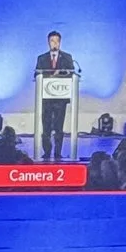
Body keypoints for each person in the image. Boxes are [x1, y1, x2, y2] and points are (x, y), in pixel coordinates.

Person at [34, 31, 78, 160]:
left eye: (57, 41)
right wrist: (49, 76)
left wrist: (61, 74)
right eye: (52, 41)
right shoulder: (41, 58)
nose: (55, 43)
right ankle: (47, 152)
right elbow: (36, 75)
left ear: (60, 42)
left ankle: (58, 152)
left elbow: (72, 73)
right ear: (48, 42)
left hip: (60, 98)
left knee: (59, 127)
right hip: (46, 98)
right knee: (46, 126)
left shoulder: (67, 57)